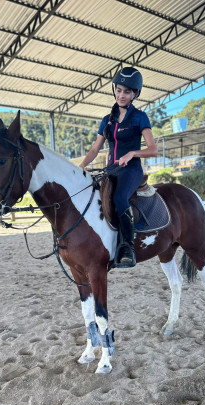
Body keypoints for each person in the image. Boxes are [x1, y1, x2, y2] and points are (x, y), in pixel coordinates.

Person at [80, 66, 158, 267]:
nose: (121, 95)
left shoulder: (140, 117)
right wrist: (80, 167)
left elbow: (153, 149)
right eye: (119, 90)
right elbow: (95, 150)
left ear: (135, 94)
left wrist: (132, 153)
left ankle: (127, 247)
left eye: (127, 91)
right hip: (111, 170)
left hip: (131, 170)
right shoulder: (107, 120)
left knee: (119, 197)